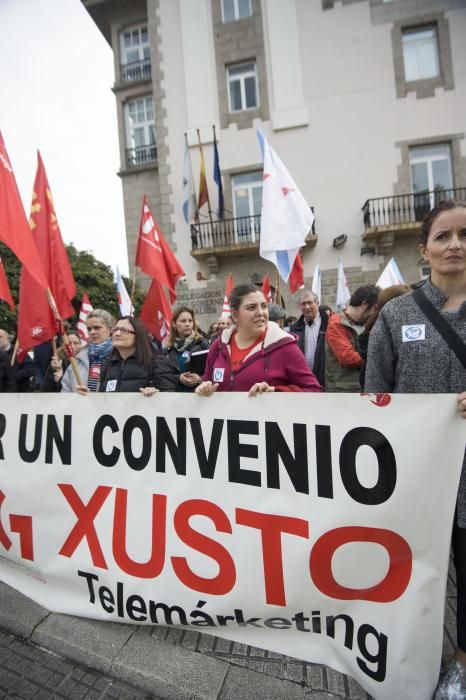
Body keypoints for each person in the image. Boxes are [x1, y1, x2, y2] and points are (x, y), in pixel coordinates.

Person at [364, 199, 466, 699]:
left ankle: (462, 661)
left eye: (465, 234)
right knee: (406, 570)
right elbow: (374, 393)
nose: (456, 244)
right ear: (423, 249)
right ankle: (402, 651)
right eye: (443, 236)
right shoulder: (397, 313)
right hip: (411, 476)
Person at [196, 284, 322, 396]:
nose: (261, 312)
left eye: (264, 306)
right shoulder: (218, 346)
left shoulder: (285, 347)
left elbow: (314, 390)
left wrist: (277, 391)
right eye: (252, 307)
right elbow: (207, 382)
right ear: (235, 315)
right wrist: (203, 389)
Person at [98, 316, 179, 393]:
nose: (117, 333)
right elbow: (102, 399)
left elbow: (168, 397)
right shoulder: (108, 366)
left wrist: (155, 394)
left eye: (124, 330)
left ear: (138, 335)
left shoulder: (158, 363)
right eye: (115, 329)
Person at [324, 285, 379, 392]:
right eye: (375, 309)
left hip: (360, 388)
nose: (376, 314)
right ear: (364, 304)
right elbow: (348, 358)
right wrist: (379, 358)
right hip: (344, 393)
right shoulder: (336, 324)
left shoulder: (363, 323)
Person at [61, 309, 114, 393]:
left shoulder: (120, 356)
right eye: (89, 329)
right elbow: (65, 391)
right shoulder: (78, 359)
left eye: (97, 328)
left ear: (110, 329)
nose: (92, 332)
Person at [290, 290, 329, 388]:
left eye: (310, 303)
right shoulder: (294, 328)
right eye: (303, 304)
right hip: (304, 380)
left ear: (317, 303)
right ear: (300, 306)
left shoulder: (329, 324)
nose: (307, 307)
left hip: (326, 379)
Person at [165, 307, 210, 391]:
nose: (187, 324)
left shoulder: (203, 344)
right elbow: (163, 376)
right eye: (183, 321)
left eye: (190, 321)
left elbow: (212, 369)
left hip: (200, 396)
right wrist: (179, 378)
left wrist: (200, 379)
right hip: (175, 398)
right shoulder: (167, 350)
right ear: (174, 324)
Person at [0, 328, 34, 392]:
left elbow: (30, 369)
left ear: (8, 339)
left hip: (19, 391)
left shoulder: (19, 352)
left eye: (0, 337)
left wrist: (13, 375)